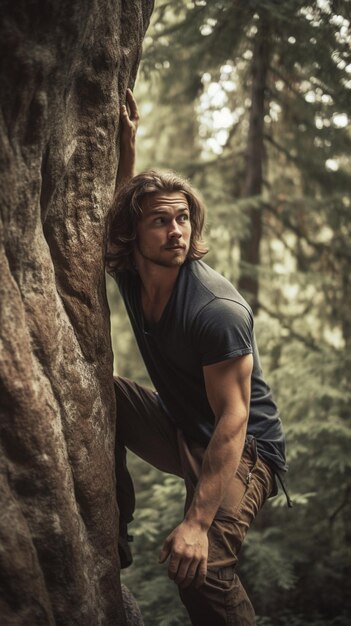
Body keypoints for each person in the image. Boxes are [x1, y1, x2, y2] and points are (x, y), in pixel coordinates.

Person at [107, 90, 290, 626]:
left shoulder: (216, 310)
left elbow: (233, 420)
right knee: (100, 395)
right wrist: (127, 148)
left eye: (183, 219)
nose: (176, 231)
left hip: (245, 451)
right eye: (161, 221)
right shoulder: (130, 271)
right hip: (185, 428)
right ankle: (111, 537)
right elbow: (122, 203)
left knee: (204, 571)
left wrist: (197, 523)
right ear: (135, 234)